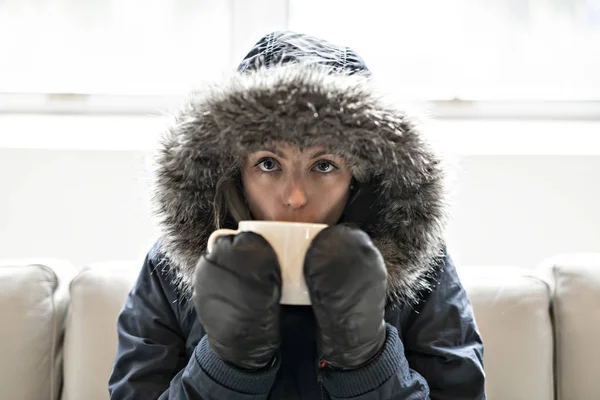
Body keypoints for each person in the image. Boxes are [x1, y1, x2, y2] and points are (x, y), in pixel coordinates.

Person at [108, 31, 486, 399]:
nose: (295, 195)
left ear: (359, 178)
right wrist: (228, 363)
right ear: (234, 172)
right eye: (269, 163)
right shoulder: (169, 266)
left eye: (324, 165)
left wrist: (366, 358)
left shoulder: (423, 265)